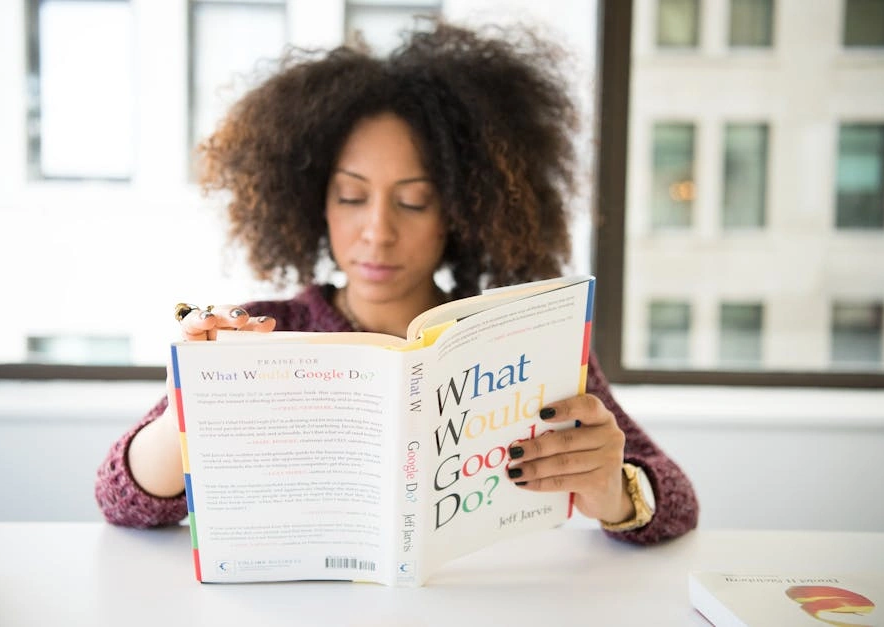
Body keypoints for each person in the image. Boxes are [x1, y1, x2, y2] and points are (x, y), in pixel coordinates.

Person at [95, 18, 698, 544]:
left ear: (460, 214)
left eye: (413, 202)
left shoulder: (525, 342)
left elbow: (677, 501)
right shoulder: (263, 331)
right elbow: (121, 500)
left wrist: (613, 488)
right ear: (314, 202)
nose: (377, 232)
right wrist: (195, 404)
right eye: (352, 196)